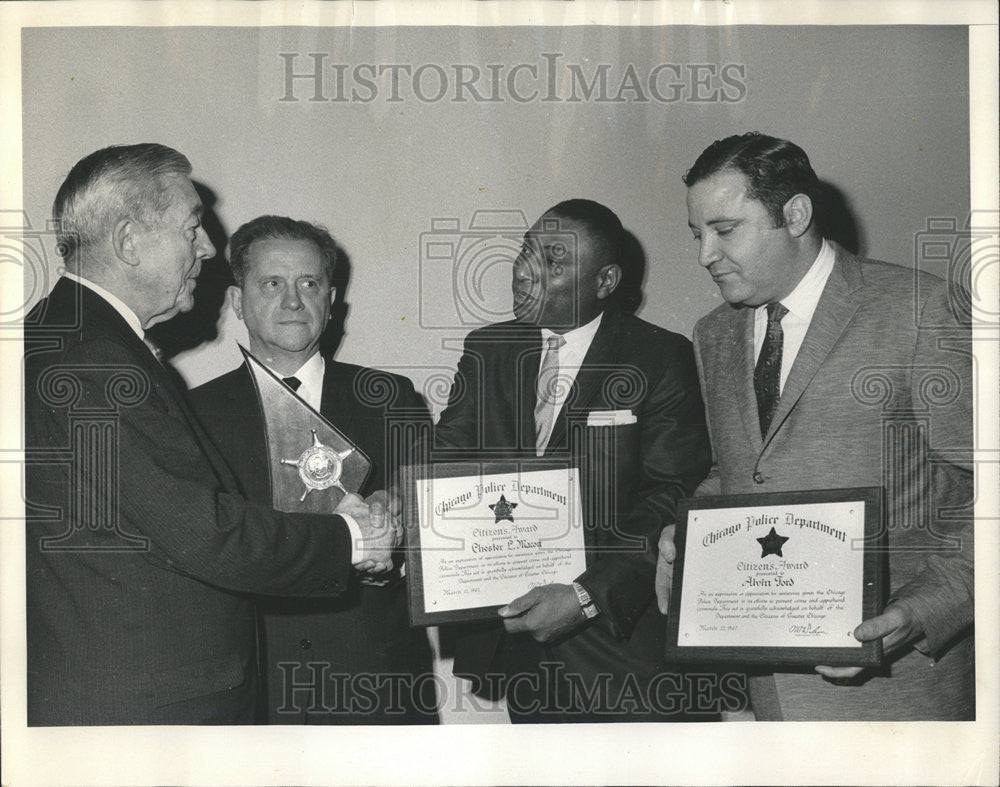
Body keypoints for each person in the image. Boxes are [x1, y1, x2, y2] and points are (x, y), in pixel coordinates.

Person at [24, 144, 394, 726]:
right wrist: (352, 537)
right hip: (147, 706)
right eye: (192, 227)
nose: (205, 248)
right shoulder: (96, 360)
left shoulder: (62, 335)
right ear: (127, 241)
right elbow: (206, 533)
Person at [656, 132, 974, 721]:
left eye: (725, 231)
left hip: (903, 694)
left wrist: (926, 608)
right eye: (697, 234)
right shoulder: (714, 334)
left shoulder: (920, 309)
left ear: (796, 214)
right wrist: (692, 532)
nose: (705, 254)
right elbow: (738, 469)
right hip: (771, 694)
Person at [433, 199, 714, 722]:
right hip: (525, 651)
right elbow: (444, 466)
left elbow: (674, 496)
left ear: (605, 281)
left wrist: (585, 597)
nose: (524, 274)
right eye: (526, 252)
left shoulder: (659, 357)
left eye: (554, 262)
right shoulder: (487, 349)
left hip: (627, 655)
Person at [189, 215, 437, 724]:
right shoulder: (193, 414)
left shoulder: (391, 399)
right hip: (251, 686)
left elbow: (440, 533)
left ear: (332, 299)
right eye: (272, 284)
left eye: (309, 283)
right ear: (238, 301)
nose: (293, 300)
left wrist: (397, 536)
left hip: (375, 681)